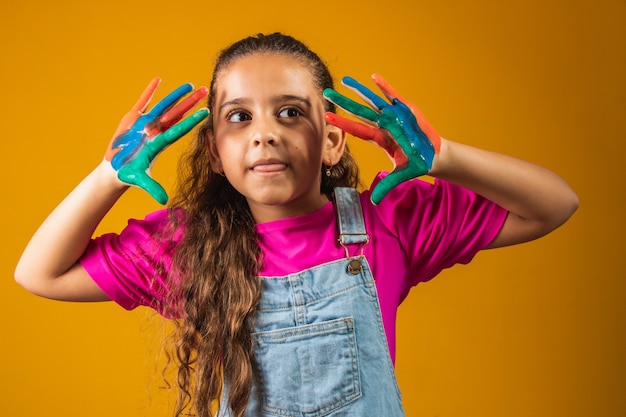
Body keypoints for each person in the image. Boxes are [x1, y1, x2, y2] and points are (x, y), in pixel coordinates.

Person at [14, 32, 578, 417]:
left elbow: (555, 203)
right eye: (239, 117)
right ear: (213, 150)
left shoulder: (389, 228)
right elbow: (38, 273)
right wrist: (109, 175)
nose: (265, 133)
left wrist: (445, 156)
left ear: (331, 139)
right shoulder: (188, 248)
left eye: (290, 112)